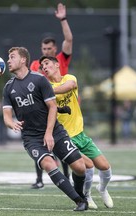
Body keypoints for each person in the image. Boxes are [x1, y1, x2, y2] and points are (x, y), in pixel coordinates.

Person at [2, 46, 88, 211]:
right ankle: (79, 201)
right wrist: (10, 123)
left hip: (54, 131)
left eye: (12, 57)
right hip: (31, 138)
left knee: (79, 167)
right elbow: (6, 115)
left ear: (23, 60)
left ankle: (81, 194)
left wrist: (49, 133)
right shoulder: (8, 87)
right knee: (49, 164)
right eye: (8, 58)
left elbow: (53, 107)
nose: (8, 61)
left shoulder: (40, 80)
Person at [40, 55, 114, 209]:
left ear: (56, 64)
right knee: (87, 166)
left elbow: (70, 85)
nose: (44, 67)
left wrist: (49, 90)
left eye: (46, 63)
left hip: (80, 134)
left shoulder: (68, 77)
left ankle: (102, 188)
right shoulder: (44, 86)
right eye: (42, 66)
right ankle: (86, 195)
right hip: (64, 137)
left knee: (105, 167)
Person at [30, 2, 72, 189]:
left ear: (55, 49)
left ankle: (68, 176)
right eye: (44, 49)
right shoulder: (35, 65)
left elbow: (69, 40)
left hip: (63, 104)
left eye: (49, 49)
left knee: (63, 141)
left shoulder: (61, 59)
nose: (46, 52)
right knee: (41, 141)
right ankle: (40, 179)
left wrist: (63, 19)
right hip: (44, 107)